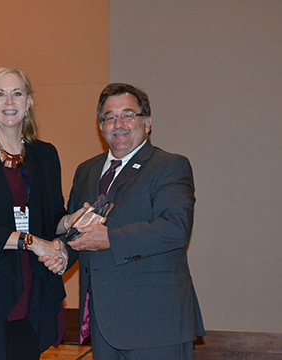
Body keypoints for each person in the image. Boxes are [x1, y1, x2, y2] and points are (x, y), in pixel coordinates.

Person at [42, 83, 205, 360]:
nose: (118, 124)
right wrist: (61, 253)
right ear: (100, 125)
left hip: (156, 323)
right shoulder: (86, 171)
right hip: (103, 324)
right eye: (109, 117)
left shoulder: (169, 166)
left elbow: (176, 228)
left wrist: (109, 239)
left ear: (147, 122)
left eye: (128, 115)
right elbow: (79, 233)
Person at [0, 67, 81, 360]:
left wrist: (70, 221)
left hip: (32, 286)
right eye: (0, 94)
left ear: (29, 102)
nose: (9, 101)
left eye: (17, 93)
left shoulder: (45, 155)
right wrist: (32, 242)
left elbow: (52, 218)